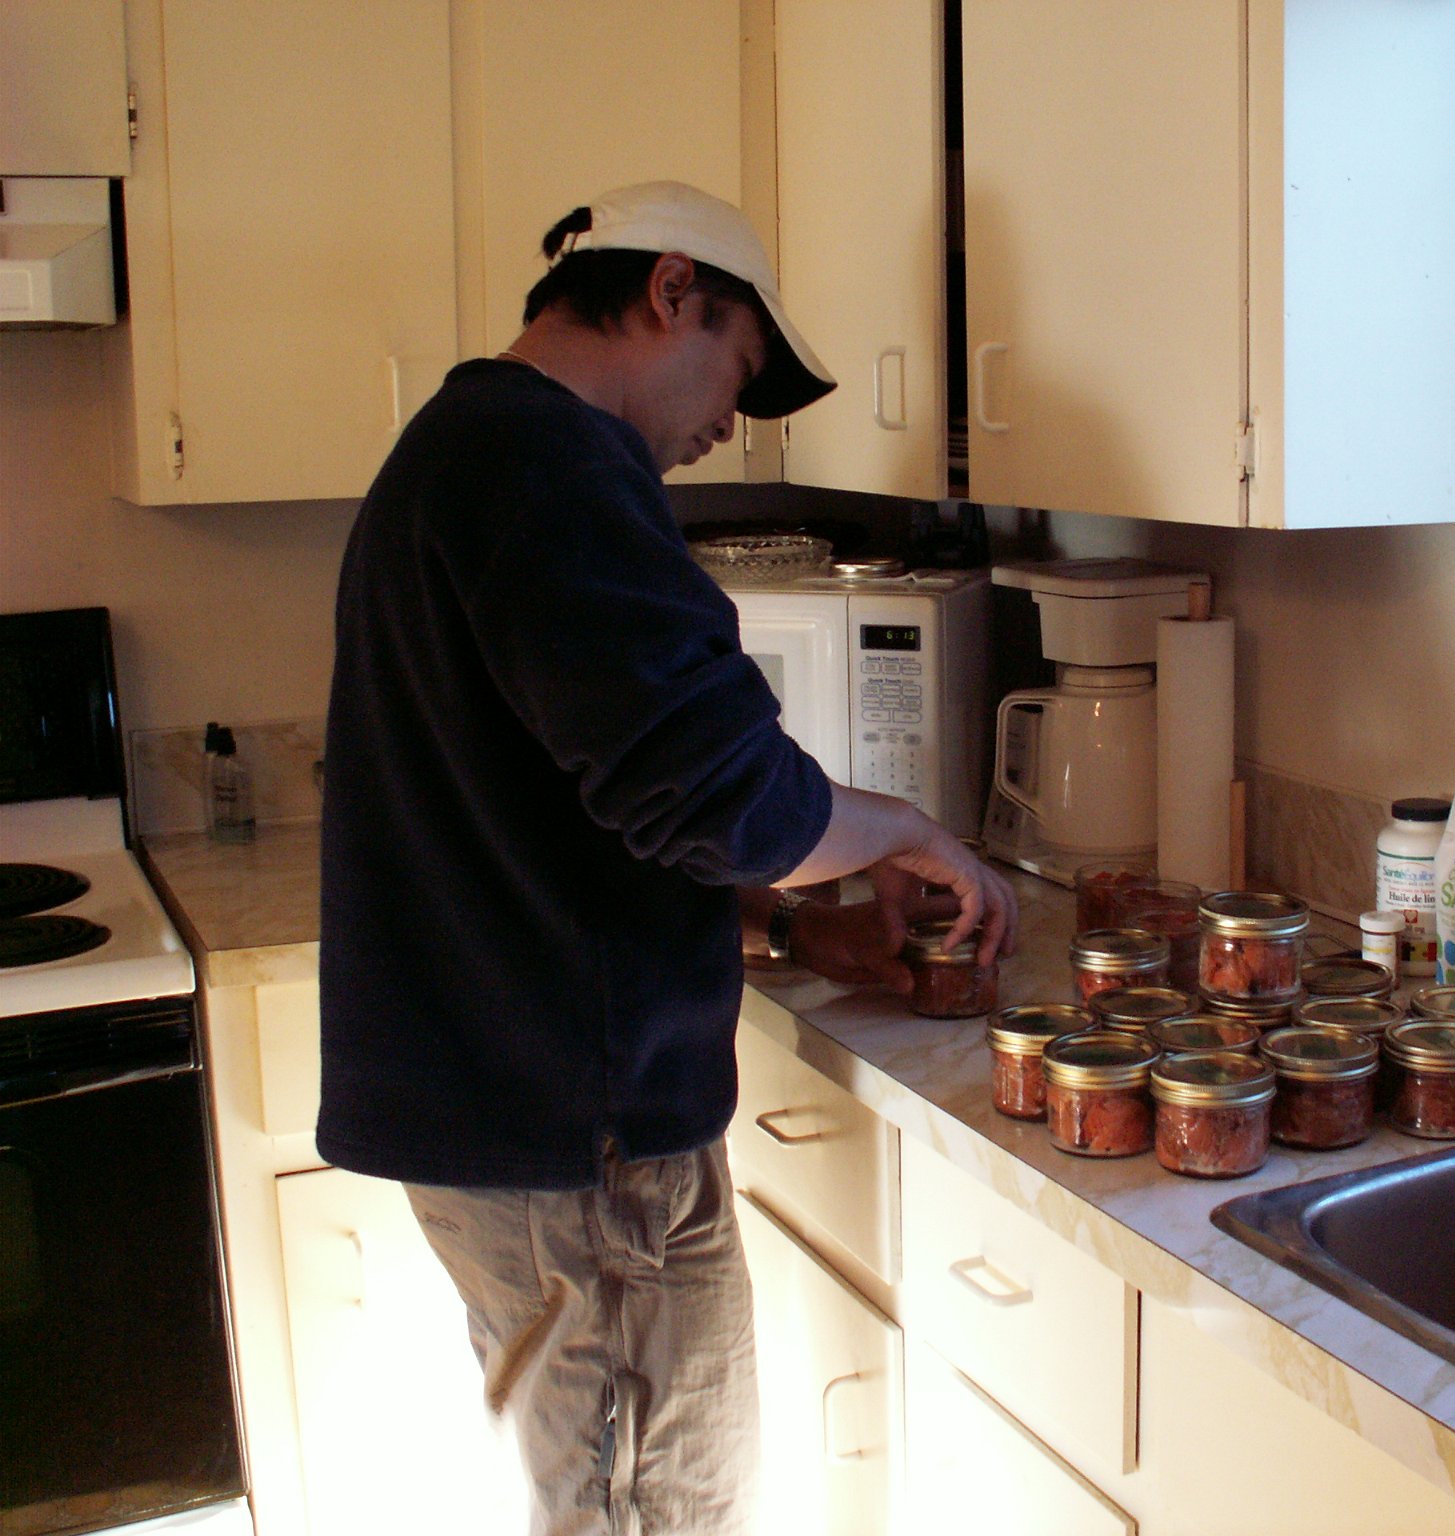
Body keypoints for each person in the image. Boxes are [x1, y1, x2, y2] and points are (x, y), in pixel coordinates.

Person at [317, 180, 1016, 1535]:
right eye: (738, 372)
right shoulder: (551, 465)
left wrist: (793, 927)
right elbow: (717, 792)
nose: (728, 426)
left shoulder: (473, 445)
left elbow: (569, 814)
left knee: (600, 1493)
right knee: (655, 1508)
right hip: (570, 1143)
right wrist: (910, 829)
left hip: (522, 1117)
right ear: (671, 291)